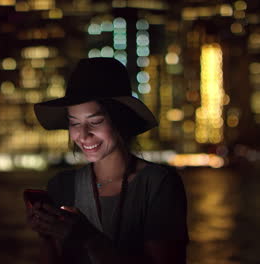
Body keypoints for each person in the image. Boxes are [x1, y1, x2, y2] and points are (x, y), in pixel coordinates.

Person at [26, 58, 189, 264]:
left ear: (120, 120)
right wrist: (46, 235)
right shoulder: (61, 185)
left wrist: (90, 238)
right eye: (75, 123)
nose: (83, 135)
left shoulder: (158, 184)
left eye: (95, 122)